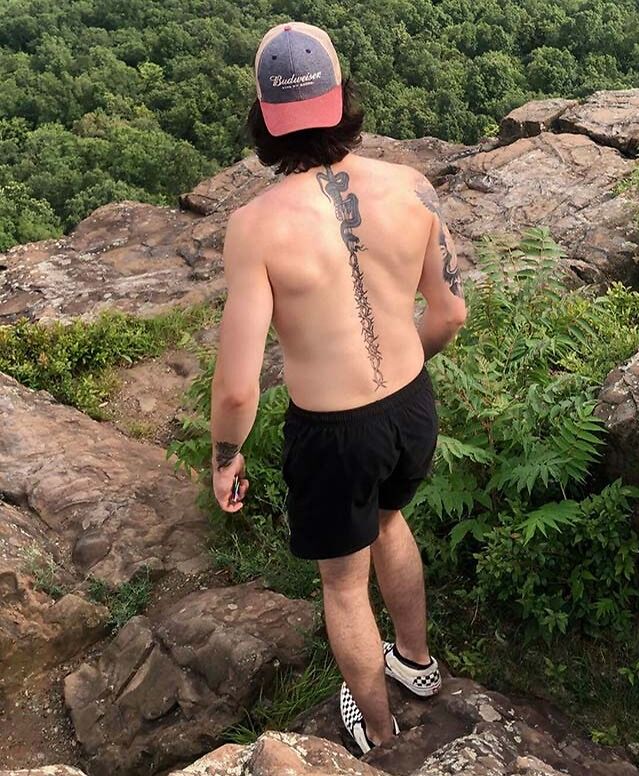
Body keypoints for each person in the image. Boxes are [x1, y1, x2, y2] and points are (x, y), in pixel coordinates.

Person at [209, 20, 467, 754]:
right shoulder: (411, 186)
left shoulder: (254, 228)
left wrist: (227, 457)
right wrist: (399, 375)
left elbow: (234, 389)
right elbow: (450, 312)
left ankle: (379, 732)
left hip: (333, 431)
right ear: (343, 97)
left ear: (263, 117)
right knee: (390, 519)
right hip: (412, 408)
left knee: (343, 585)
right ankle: (417, 664)